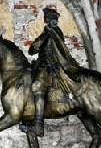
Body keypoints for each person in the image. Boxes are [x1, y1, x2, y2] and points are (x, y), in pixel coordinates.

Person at [28, 7, 76, 137]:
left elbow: (34, 49)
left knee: (38, 85)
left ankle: (38, 124)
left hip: (50, 67)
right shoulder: (51, 31)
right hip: (43, 65)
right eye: (46, 18)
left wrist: (44, 34)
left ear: (51, 20)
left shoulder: (52, 32)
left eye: (47, 18)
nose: (46, 20)